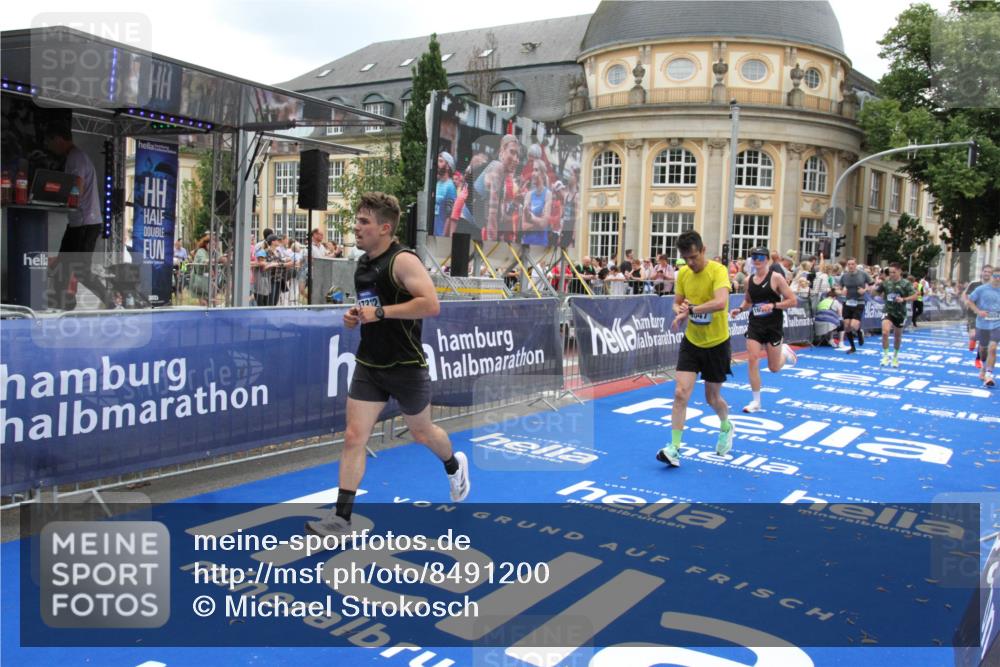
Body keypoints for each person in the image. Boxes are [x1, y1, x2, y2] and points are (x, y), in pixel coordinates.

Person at [306, 192, 470, 537]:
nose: (356, 227)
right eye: (356, 220)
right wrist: (356, 316)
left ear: (384, 227)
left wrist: (380, 312)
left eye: (363, 222)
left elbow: (431, 304)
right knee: (353, 436)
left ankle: (453, 464)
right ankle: (341, 518)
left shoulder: (403, 260)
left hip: (406, 365)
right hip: (370, 363)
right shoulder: (364, 263)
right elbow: (371, 306)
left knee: (422, 432)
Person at [657, 230, 734, 467]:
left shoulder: (718, 271)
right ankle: (674, 448)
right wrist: (679, 312)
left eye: (694, 257)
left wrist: (692, 310)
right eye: (686, 259)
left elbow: (721, 303)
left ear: (703, 250)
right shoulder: (684, 275)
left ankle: (726, 425)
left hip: (717, 343)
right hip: (692, 342)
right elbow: (676, 303)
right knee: (681, 393)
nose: (691, 263)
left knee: (712, 398)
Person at [44, 124, 115, 310]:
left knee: (81, 270)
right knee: (63, 263)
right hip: (78, 222)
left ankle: (110, 302)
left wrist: (62, 198)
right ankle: (61, 304)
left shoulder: (76, 158)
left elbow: (77, 187)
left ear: (58, 139)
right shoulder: (74, 157)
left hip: (85, 223)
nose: (50, 147)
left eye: (49, 142)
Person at [729, 246, 798, 413]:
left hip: (773, 325)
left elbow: (793, 301)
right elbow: (748, 301)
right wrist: (740, 309)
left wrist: (773, 305)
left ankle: (784, 352)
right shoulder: (748, 280)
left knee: (774, 368)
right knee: (752, 358)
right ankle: (756, 401)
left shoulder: (776, 278)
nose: (757, 260)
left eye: (760, 257)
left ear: (767, 259)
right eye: (754, 257)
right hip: (755, 325)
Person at [876, 262, 918, 367]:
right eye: (890, 272)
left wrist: (903, 299)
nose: (891, 274)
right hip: (888, 310)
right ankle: (885, 356)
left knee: (897, 336)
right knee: (885, 332)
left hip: (900, 313)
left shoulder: (906, 283)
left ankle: (895, 357)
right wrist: (869, 289)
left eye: (894, 272)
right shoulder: (886, 283)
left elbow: (915, 296)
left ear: (899, 271)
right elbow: (876, 292)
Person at [966, 270, 1000, 387]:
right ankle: (983, 368)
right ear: (991, 277)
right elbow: (969, 301)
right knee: (983, 349)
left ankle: (989, 375)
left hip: (996, 324)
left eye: (999, 276)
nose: (997, 278)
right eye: (995, 276)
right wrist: (978, 311)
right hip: (982, 324)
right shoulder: (981, 289)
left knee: (993, 348)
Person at [838, 257, 873, 353]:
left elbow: (872, 285)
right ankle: (853, 347)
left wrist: (864, 290)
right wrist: (842, 291)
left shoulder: (863, 274)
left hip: (859, 302)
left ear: (856, 265)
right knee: (846, 326)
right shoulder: (844, 276)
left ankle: (859, 331)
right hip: (848, 302)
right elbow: (839, 288)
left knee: (853, 325)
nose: (850, 266)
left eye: (852, 264)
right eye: (849, 264)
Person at [963, 266, 993, 368]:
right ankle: (973, 339)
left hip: (987, 316)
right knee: (973, 335)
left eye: (989, 272)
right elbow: (967, 297)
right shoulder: (974, 285)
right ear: (982, 272)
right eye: (985, 271)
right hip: (973, 314)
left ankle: (978, 359)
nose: (987, 273)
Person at [434, 151, 457, 236]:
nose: (438, 164)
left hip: (440, 235)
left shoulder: (450, 186)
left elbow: (449, 215)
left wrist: (443, 236)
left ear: (447, 166)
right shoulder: (437, 184)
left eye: (440, 161)